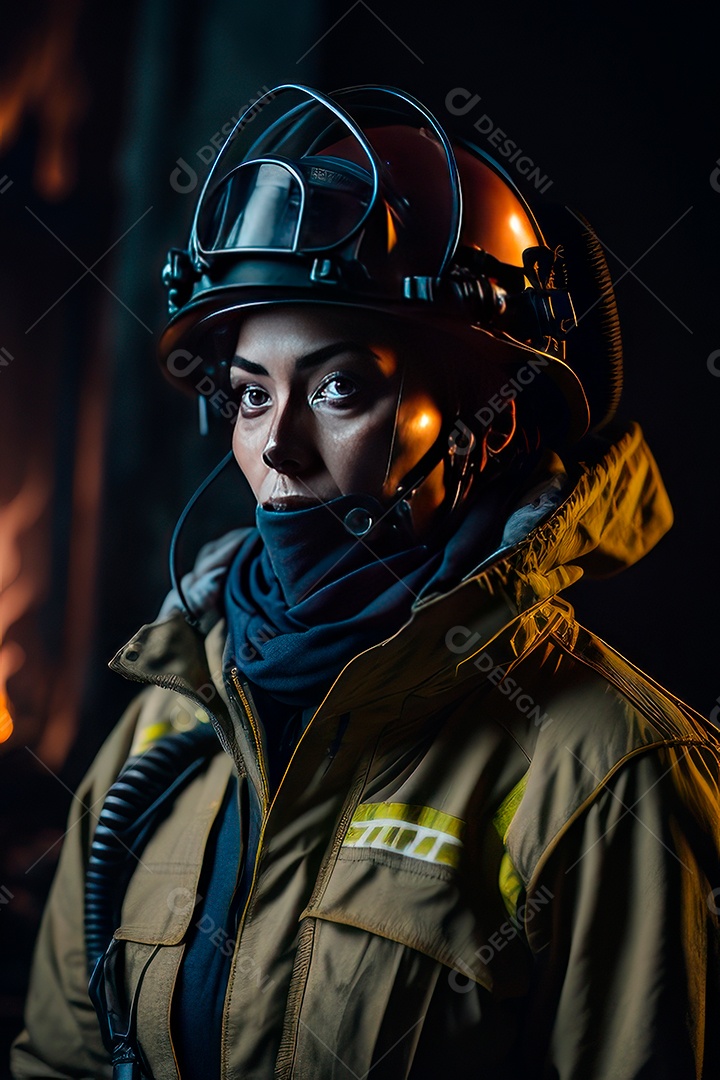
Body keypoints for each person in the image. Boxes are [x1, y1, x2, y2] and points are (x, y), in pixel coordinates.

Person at [11, 84, 720, 1080]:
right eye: (252, 394)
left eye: (341, 386)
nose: (279, 448)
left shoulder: (612, 777)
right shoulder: (166, 726)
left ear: (489, 425)